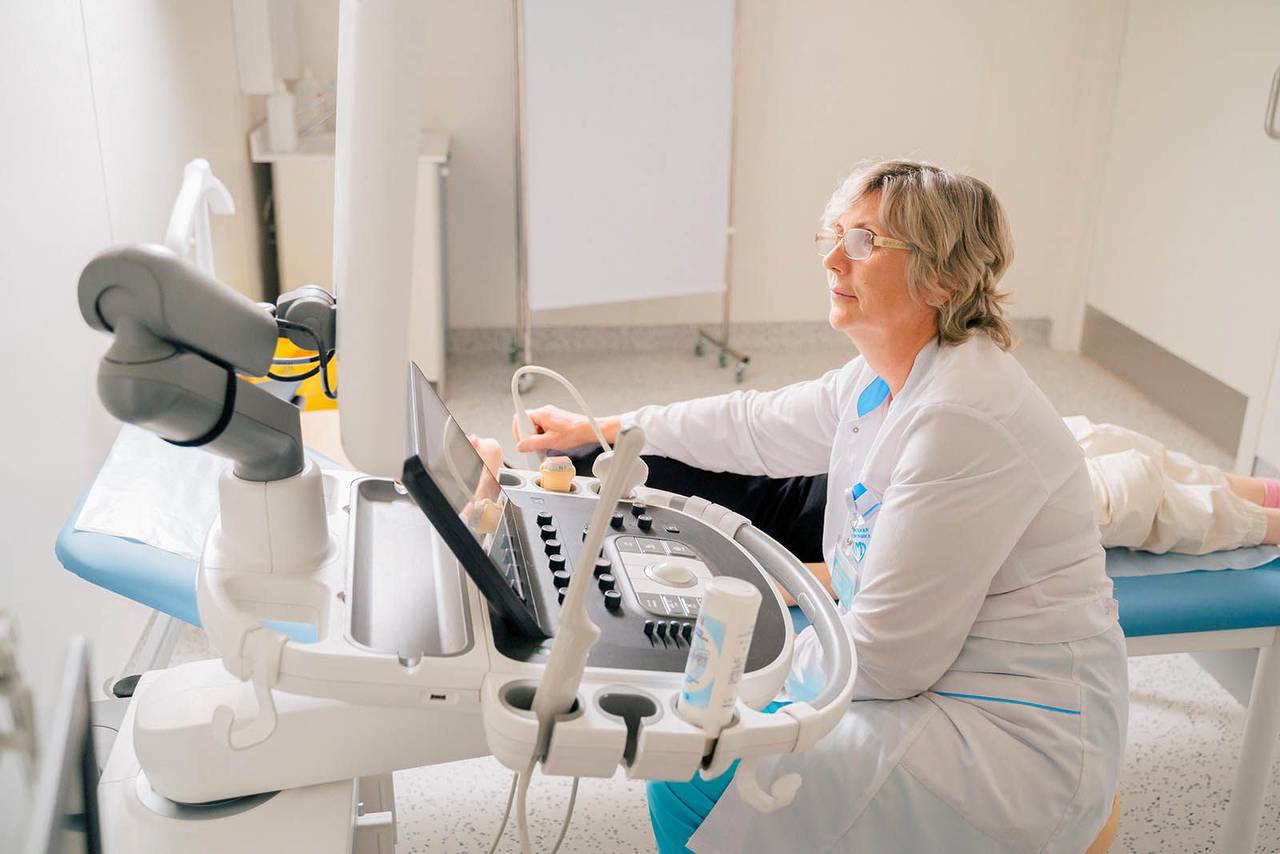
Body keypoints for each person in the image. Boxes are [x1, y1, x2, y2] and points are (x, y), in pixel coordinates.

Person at [513, 160, 1128, 852]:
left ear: (945, 278)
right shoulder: (885, 377)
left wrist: (728, 668)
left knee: (699, 761)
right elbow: (751, 425)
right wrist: (604, 429)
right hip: (935, 678)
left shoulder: (963, 415)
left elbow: (888, 661)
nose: (834, 259)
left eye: (865, 242)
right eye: (834, 236)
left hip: (1007, 736)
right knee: (703, 736)